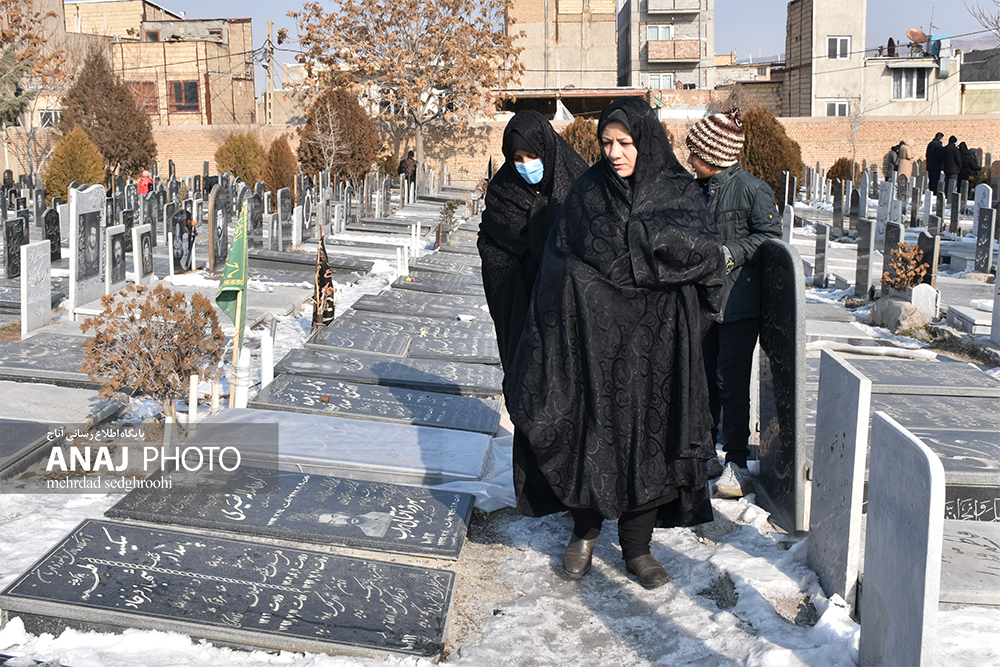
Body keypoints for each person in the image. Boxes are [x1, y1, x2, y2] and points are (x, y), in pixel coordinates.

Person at [506, 98, 725, 589]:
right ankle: (584, 533)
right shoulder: (586, 192)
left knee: (650, 444)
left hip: (656, 352)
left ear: (646, 141)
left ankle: (637, 547)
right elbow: (559, 260)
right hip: (592, 345)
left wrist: (645, 252)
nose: (614, 153)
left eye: (624, 143)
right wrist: (581, 285)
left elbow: (706, 255)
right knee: (590, 434)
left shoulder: (678, 192)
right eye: (606, 143)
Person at [685, 108, 782, 500]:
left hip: (739, 305)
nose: (690, 160)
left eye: (695, 154)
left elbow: (770, 238)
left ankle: (737, 461)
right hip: (703, 303)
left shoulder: (752, 190)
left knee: (731, 384)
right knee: (703, 382)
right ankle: (706, 451)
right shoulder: (695, 190)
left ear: (715, 155)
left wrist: (731, 253)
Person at [478, 110, 588, 373]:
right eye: (517, 158)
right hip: (522, 309)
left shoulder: (578, 184)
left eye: (532, 155)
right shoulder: (502, 192)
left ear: (546, 149)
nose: (526, 164)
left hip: (568, 307)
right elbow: (489, 241)